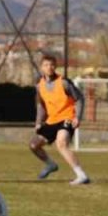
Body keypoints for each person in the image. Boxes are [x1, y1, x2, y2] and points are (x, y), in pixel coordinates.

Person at [30, 54, 90, 185]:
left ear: (55, 66)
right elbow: (41, 105)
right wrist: (38, 122)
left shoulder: (64, 82)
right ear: (41, 67)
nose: (49, 67)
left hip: (67, 117)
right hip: (52, 120)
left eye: (52, 65)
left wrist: (77, 117)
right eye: (46, 65)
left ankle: (81, 175)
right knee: (34, 145)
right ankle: (51, 165)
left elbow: (79, 98)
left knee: (61, 143)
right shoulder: (39, 86)